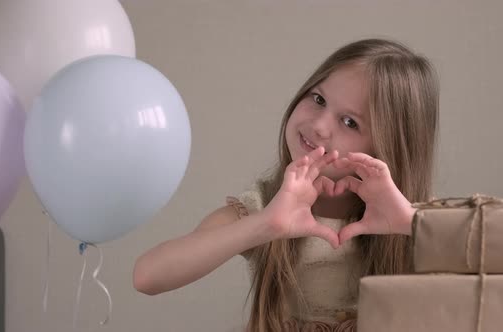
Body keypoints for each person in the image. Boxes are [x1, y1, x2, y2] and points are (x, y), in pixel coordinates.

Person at [133, 38, 439, 332]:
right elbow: (147, 276)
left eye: (350, 122)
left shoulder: (415, 220)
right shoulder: (265, 205)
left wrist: (411, 224)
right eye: (318, 99)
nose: (319, 126)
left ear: (388, 149)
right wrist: (266, 224)